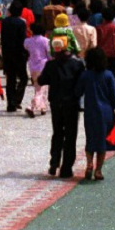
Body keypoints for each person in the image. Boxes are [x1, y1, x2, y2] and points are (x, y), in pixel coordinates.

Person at [38, 37, 85, 177]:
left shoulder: (50, 65)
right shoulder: (77, 65)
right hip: (71, 103)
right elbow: (81, 83)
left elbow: (42, 80)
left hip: (56, 103)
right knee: (71, 135)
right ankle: (66, 167)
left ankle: (54, 162)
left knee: (57, 132)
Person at [75, 47, 115, 181]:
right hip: (107, 111)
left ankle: (89, 163)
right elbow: (113, 95)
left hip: (90, 111)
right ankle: (98, 170)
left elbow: (78, 92)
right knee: (104, 141)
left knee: (91, 138)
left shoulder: (85, 75)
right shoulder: (108, 75)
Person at [24, 23, 51, 117]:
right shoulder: (46, 41)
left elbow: (26, 49)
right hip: (43, 65)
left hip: (32, 66)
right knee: (42, 88)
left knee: (38, 87)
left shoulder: (27, 41)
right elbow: (49, 54)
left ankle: (43, 107)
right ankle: (31, 106)